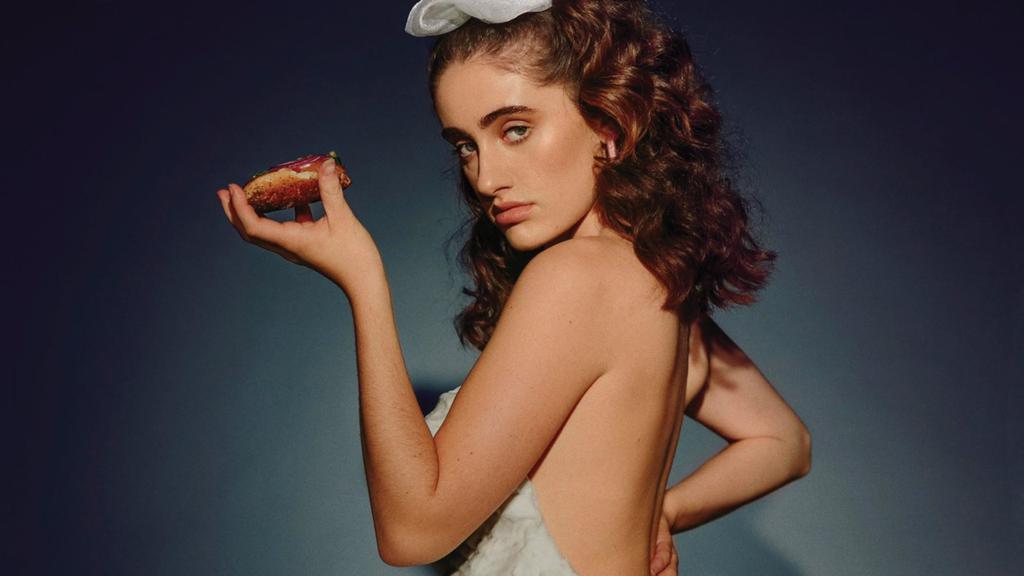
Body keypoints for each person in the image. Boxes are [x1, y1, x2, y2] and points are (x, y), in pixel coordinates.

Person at [215, 0, 812, 573]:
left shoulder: (574, 277)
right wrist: (662, 515)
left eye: (516, 129)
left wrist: (362, 281)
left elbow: (410, 532)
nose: (485, 177)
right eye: (466, 145)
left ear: (607, 124)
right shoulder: (657, 283)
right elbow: (784, 442)